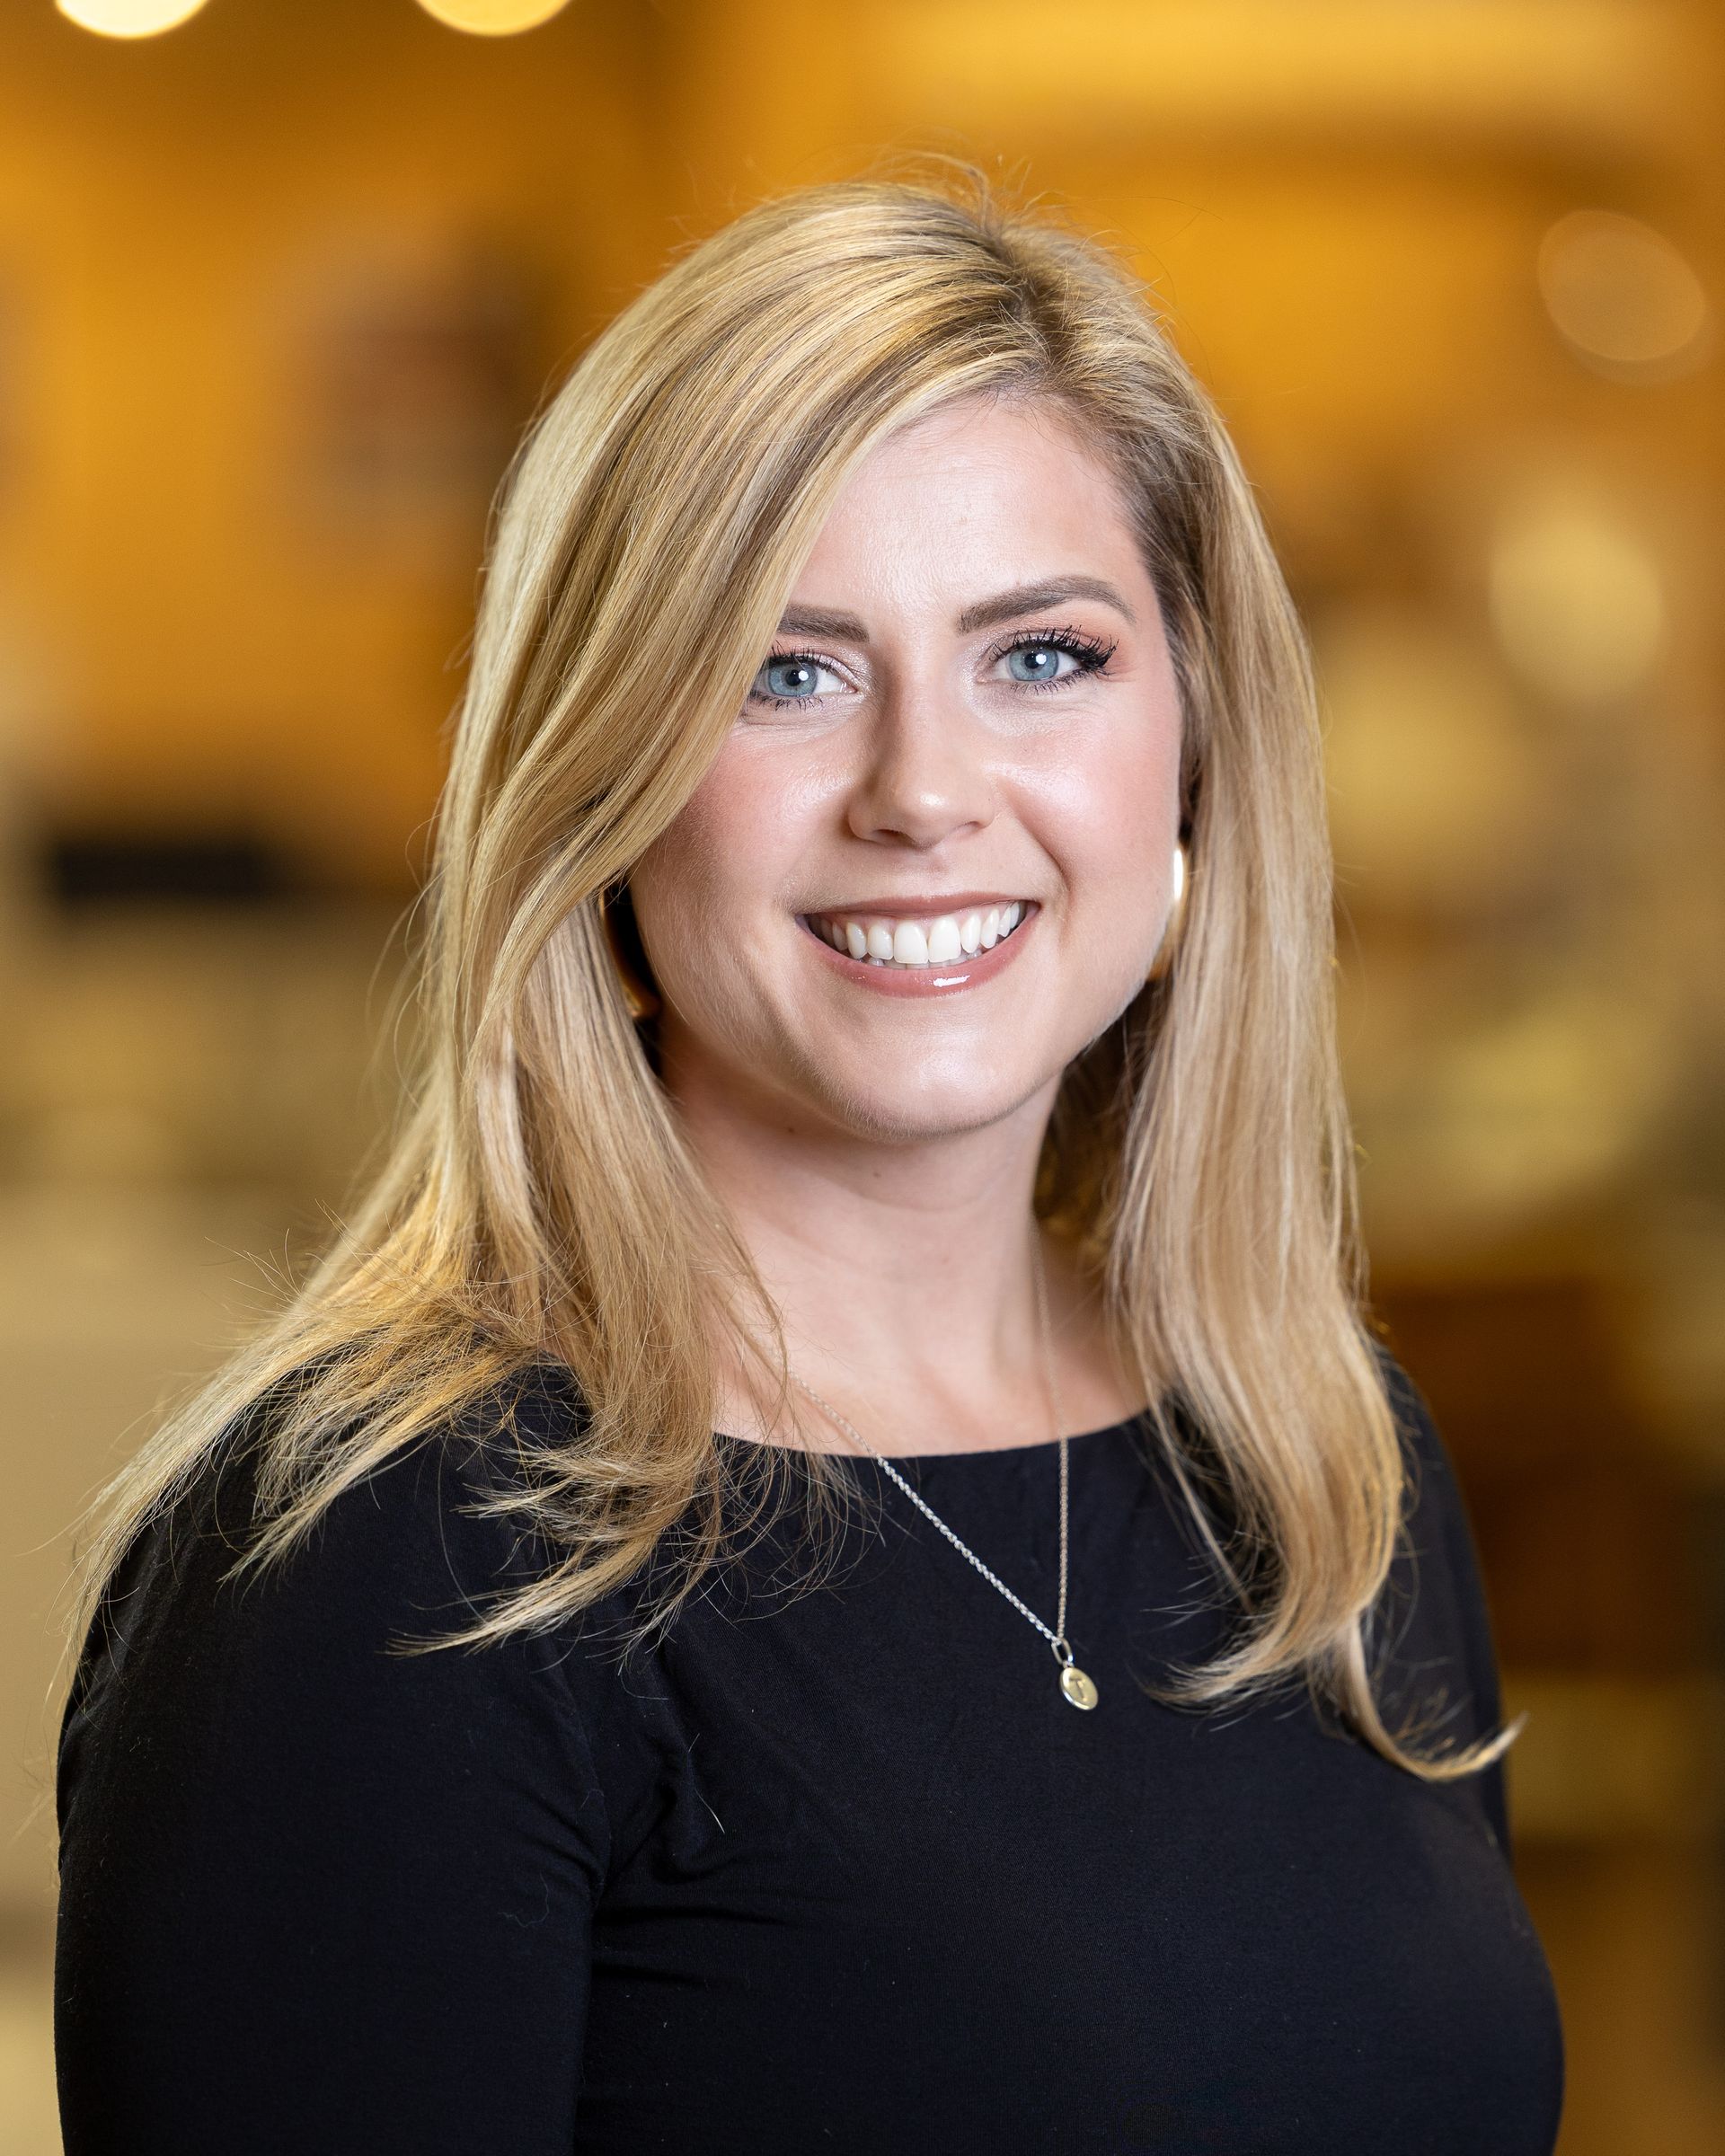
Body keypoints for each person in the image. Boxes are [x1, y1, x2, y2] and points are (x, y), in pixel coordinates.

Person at [53, 173, 1564, 2154]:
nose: (924, 792)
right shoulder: (390, 1564)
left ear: (1196, 743)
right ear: (600, 783)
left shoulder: (1316, 1454)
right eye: (788, 671)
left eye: (1043, 657)